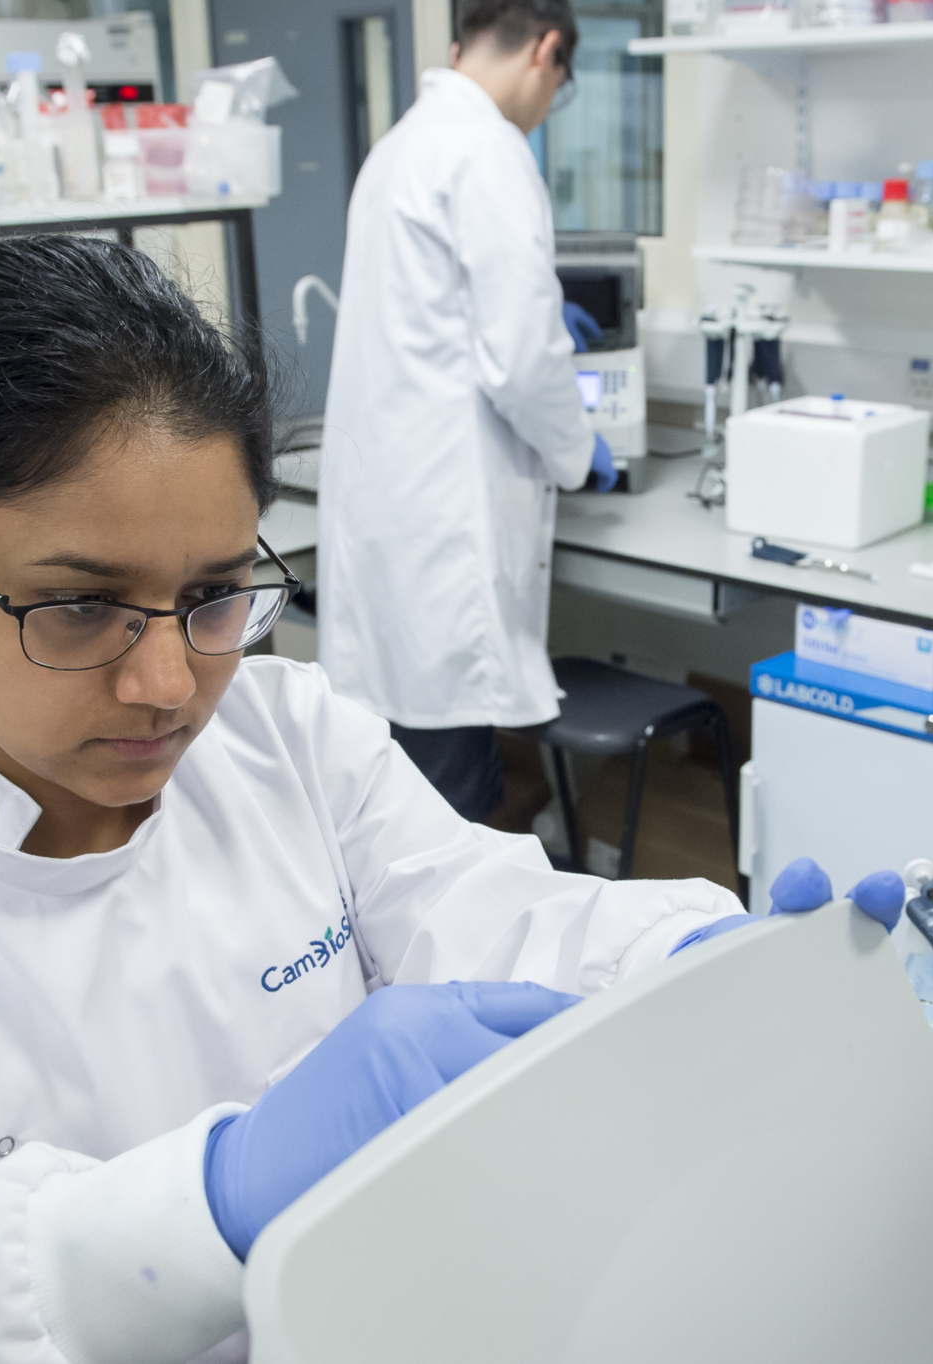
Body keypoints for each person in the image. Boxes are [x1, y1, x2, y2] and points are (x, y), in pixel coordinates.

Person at [0, 235, 759, 1364]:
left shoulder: (290, 736)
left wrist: (710, 954)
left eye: (215, 595)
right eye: (79, 604)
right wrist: (210, 1197)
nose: (168, 685)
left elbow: (489, 911)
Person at [316, 0, 613, 823]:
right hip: (442, 532)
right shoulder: (489, 149)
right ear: (547, 52)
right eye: (560, 83)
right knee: (451, 813)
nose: (549, 103)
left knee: (400, 799)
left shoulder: (401, 145)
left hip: (394, 520)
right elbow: (522, 360)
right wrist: (579, 450)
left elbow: (444, 323)